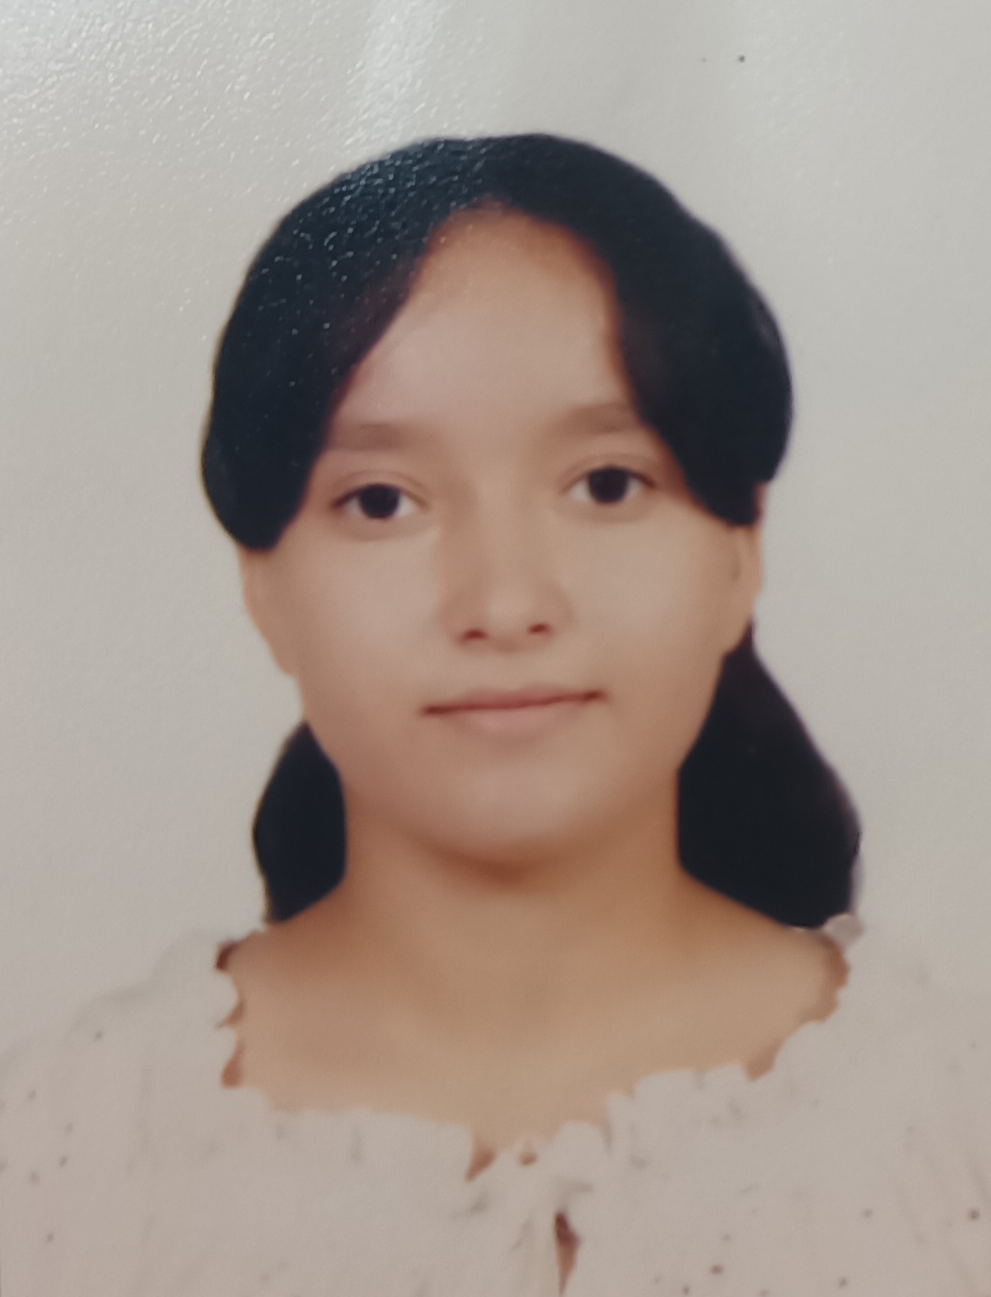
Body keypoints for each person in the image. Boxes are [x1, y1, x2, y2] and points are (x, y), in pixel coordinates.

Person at [1, 133, 989, 1296]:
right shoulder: (61, 1151)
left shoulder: (952, 1120)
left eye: (607, 484)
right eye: (382, 500)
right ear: (262, 585)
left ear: (740, 551)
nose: (505, 603)